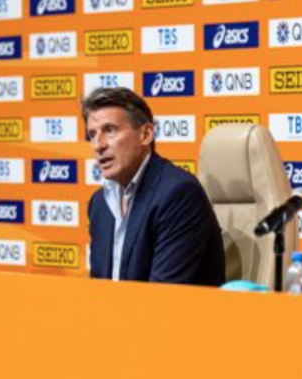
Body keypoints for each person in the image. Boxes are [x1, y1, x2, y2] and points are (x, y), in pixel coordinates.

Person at [83, 87, 224, 285]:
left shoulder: (178, 194)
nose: (98, 145)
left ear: (146, 134)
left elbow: (162, 294)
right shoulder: (99, 203)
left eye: (110, 130)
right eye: (92, 135)